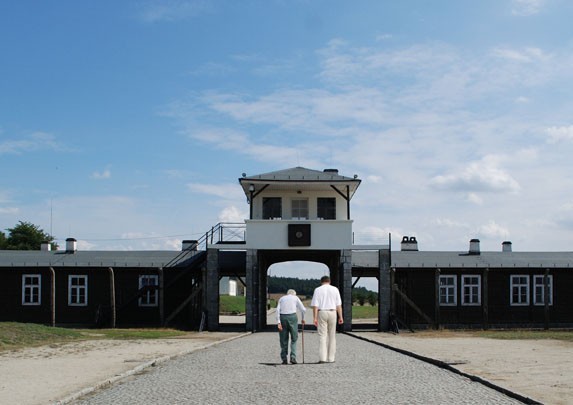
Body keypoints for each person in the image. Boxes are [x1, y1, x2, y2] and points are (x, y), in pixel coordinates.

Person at [311, 275, 343, 363]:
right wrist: (341, 317)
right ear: (329, 281)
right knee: (332, 336)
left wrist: (315, 318)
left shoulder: (317, 290)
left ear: (321, 282)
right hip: (333, 312)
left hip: (322, 312)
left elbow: (315, 305)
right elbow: (338, 305)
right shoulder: (335, 289)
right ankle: (331, 358)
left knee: (322, 336)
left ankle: (322, 358)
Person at [276, 289, 306, 364]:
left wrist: (278, 322)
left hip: (283, 317)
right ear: (294, 294)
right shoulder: (295, 298)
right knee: (294, 338)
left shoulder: (282, 298)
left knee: (283, 338)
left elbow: (277, 310)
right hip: (292, 317)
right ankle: (293, 357)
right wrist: (303, 319)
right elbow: (303, 309)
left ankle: (284, 358)